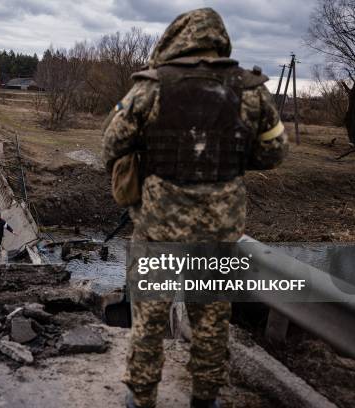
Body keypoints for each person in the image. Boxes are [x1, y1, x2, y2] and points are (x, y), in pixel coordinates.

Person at [102, 8, 288, 408]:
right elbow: (274, 151)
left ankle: (141, 397)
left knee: (149, 318)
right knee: (211, 321)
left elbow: (111, 144)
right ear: (219, 40)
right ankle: (205, 398)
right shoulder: (250, 89)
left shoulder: (150, 88)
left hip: (158, 228)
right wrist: (229, 162)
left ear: (175, 39)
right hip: (219, 230)